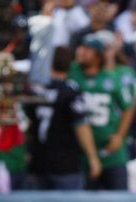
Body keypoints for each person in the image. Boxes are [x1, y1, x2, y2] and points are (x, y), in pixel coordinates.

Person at [24, 46, 101, 190]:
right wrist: (92, 157)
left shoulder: (33, 89)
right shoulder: (69, 90)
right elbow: (81, 125)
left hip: (37, 161)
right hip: (65, 164)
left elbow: (26, 124)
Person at [71, 35, 136, 190]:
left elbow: (128, 107)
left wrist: (120, 136)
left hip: (111, 152)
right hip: (81, 152)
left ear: (98, 55)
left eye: (87, 49)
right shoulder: (73, 72)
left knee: (119, 201)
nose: (81, 52)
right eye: (81, 47)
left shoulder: (112, 78)